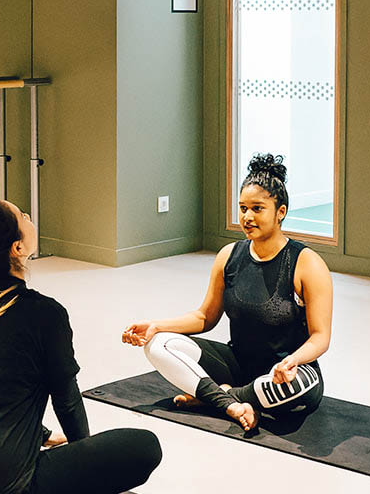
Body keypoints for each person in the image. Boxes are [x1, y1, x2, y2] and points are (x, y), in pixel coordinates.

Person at [0, 196, 162, 494]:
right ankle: (31, 444)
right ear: (17, 248)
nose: (28, 215)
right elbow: (67, 400)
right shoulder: (44, 313)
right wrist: (84, 458)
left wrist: (41, 433)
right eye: (23, 215)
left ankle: (36, 435)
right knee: (145, 446)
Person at [122, 153, 333, 432]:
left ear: (280, 212)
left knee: (298, 389)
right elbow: (204, 317)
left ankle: (217, 398)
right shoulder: (228, 256)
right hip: (237, 365)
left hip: (284, 374)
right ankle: (232, 403)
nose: (247, 217)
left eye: (258, 209)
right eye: (243, 208)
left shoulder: (307, 263)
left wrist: (294, 360)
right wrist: (156, 326)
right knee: (159, 344)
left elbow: (321, 337)